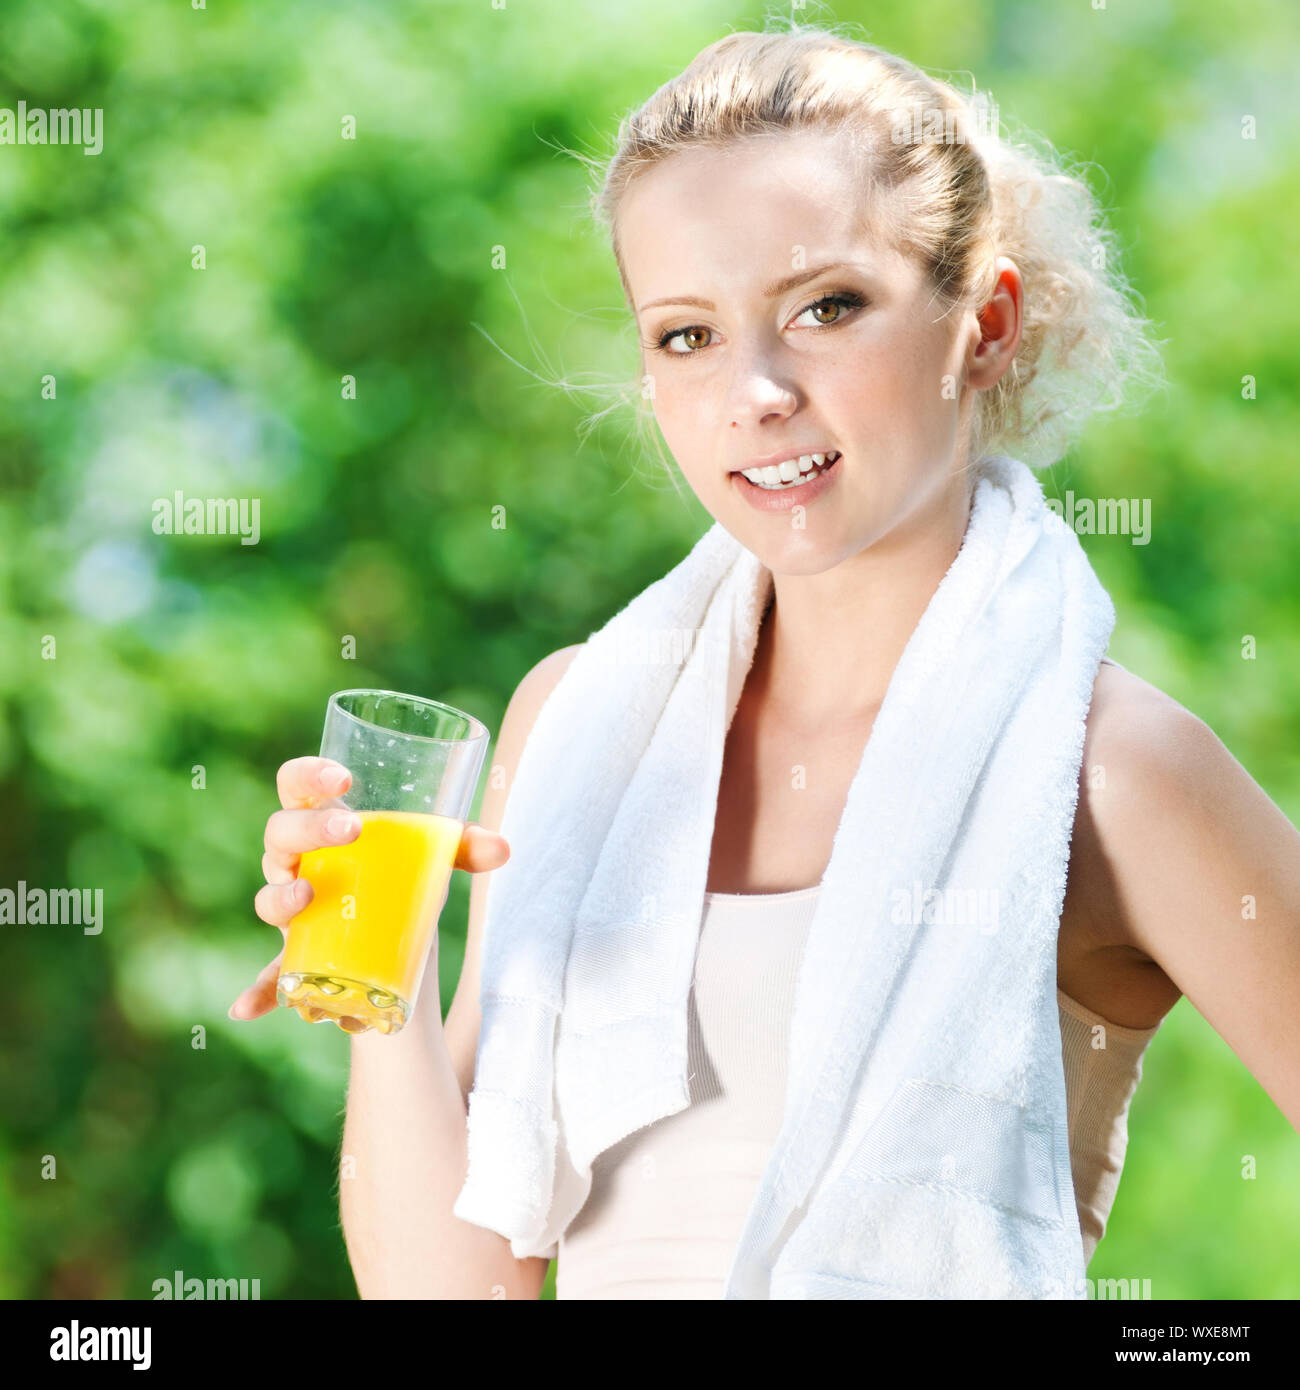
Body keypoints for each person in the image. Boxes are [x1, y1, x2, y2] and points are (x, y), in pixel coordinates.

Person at [231, 23, 1300, 1299]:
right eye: (686, 335)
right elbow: (455, 1290)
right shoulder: (570, 721)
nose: (756, 389)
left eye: (826, 308)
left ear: (986, 324)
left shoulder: (1112, 767)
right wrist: (380, 991)